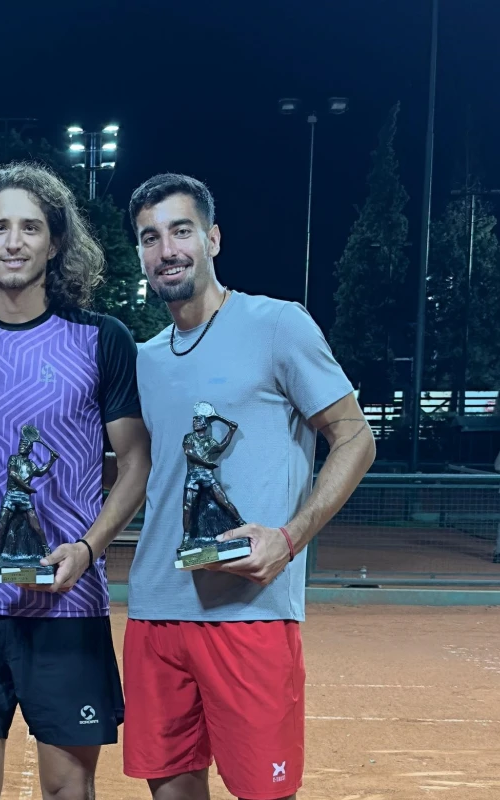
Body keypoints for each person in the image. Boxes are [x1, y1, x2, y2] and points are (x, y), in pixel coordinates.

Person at [123, 173, 376, 800]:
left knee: (263, 793)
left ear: (212, 238)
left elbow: (355, 438)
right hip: (155, 609)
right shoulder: (147, 358)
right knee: (171, 789)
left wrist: (289, 540)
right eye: (150, 238)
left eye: (181, 231)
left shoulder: (278, 324)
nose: (167, 250)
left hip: (249, 611)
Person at [0, 162, 152, 800]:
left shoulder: (101, 339)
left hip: (67, 602)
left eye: (30, 227)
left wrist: (89, 547)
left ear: (55, 241)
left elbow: (135, 463)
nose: (13, 241)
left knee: (69, 791)